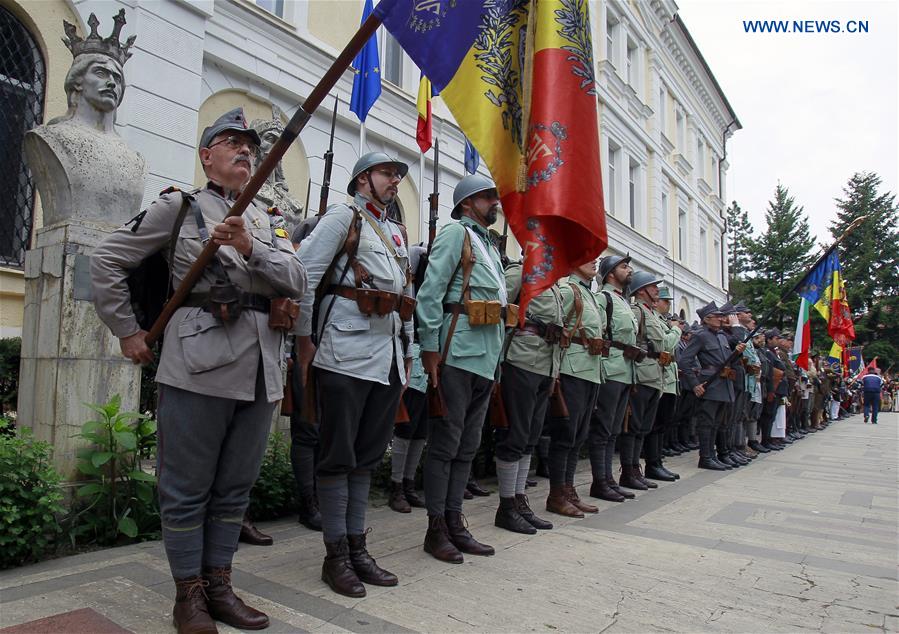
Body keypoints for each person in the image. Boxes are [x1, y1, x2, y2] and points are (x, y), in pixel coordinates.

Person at [91, 107, 306, 633]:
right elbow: (106, 259)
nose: (244, 150)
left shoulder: (266, 220)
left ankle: (220, 585)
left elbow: (296, 278)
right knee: (186, 487)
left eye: (250, 145)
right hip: (199, 364)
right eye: (231, 141)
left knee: (235, 488)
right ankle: (188, 594)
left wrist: (250, 246)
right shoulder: (180, 209)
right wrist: (127, 331)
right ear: (206, 156)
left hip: (260, 370)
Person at [294, 152, 414, 598]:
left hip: (385, 355)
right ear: (363, 178)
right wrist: (305, 339)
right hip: (342, 350)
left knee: (366, 457)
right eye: (387, 173)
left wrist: (409, 352)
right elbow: (304, 273)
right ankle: (335, 556)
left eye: (397, 176)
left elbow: (406, 294)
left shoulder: (397, 231)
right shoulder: (343, 216)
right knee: (337, 455)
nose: (394, 182)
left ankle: (358, 547)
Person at [415, 174, 507, 564]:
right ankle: (436, 529)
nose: (495, 203)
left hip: (486, 357)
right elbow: (431, 293)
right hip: (455, 354)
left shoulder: (489, 245)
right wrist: (430, 350)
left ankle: (455, 522)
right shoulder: (456, 234)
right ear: (468, 203)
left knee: (467, 447)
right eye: (488, 197)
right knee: (445, 445)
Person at [493, 260, 564, 533]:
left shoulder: (553, 282)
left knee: (529, 438)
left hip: (545, 364)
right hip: (520, 360)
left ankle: (519, 500)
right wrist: (496, 361)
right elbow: (500, 311)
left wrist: (554, 371)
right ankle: (506, 506)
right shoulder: (520, 272)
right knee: (515, 435)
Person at [545, 260, 604, 516]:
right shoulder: (569, 290)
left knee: (579, 436)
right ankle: (556, 495)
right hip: (572, 368)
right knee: (565, 435)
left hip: (591, 370)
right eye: (586, 256)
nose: (593, 262)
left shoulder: (589, 293)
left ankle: (569, 491)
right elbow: (557, 331)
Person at [589, 255, 638, 502]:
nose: (629, 270)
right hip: (610, 368)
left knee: (614, 430)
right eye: (623, 266)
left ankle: (608, 480)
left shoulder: (623, 300)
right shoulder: (604, 298)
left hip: (626, 369)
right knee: (603, 428)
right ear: (610, 274)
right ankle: (599, 481)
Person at [676, 302, 744, 470]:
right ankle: (705, 457)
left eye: (722, 316)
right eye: (718, 316)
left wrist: (737, 353)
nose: (722, 319)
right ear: (707, 319)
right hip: (710, 383)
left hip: (724, 384)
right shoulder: (701, 335)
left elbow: (726, 361)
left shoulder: (721, 336)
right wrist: (695, 384)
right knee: (706, 422)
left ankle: (713, 455)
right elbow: (685, 361)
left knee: (716, 423)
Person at [388, 243, 429, 513]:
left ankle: (409, 483)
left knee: (421, 430)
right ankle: (396, 486)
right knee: (406, 426)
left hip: (431, 358)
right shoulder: (415, 278)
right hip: (413, 353)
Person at [631, 278, 682, 482]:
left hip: (661, 376)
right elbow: (666, 345)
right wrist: (676, 329)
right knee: (646, 425)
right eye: (665, 301)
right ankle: (646, 465)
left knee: (656, 424)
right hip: (647, 373)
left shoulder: (656, 318)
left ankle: (654, 463)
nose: (666, 304)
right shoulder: (641, 312)